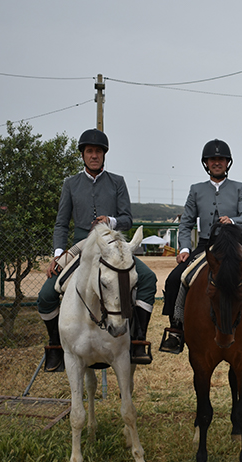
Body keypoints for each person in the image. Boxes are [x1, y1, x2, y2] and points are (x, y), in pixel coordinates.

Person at [37, 129, 158, 372]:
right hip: (82, 245)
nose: (94, 155)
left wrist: (111, 221)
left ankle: (138, 340)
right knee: (46, 295)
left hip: (112, 244)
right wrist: (59, 253)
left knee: (147, 278)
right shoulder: (70, 184)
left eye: (98, 151)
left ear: (104, 155)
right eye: (90, 151)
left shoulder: (117, 181)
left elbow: (127, 219)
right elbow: (61, 223)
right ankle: (55, 346)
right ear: (82, 155)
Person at [158, 139, 242, 354]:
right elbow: (186, 223)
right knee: (176, 279)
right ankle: (176, 329)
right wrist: (184, 249)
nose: (217, 163)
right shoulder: (196, 190)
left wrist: (233, 221)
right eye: (213, 159)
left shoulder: (240, 188)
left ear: (228, 162)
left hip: (235, 246)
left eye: (221, 159)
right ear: (206, 163)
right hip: (206, 246)